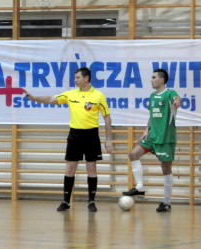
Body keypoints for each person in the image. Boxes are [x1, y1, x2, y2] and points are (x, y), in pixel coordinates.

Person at [23, 67, 113, 212]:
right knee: (70, 167)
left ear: (86, 78)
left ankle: (91, 201)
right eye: (75, 77)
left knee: (91, 167)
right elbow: (51, 99)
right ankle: (66, 201)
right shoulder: (70, 94)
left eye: (77, 77)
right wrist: (34, 98)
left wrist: (109, 139)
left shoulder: (98, 95)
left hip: (91, 134)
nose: (75, 80)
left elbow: (107, 117)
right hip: (75, 134)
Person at [122, 69, 181, 212]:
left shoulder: (169, 93)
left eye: (154, 77)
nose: (151, 80)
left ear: (161, 80)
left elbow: (177, 98)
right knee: (133, 154)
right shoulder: (152, 96)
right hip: (152, 136)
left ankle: (166, 202)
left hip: (165, 138)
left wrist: (177, 102)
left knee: (166, 168)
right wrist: (146, 130)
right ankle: (140, 187)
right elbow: (152, 116)